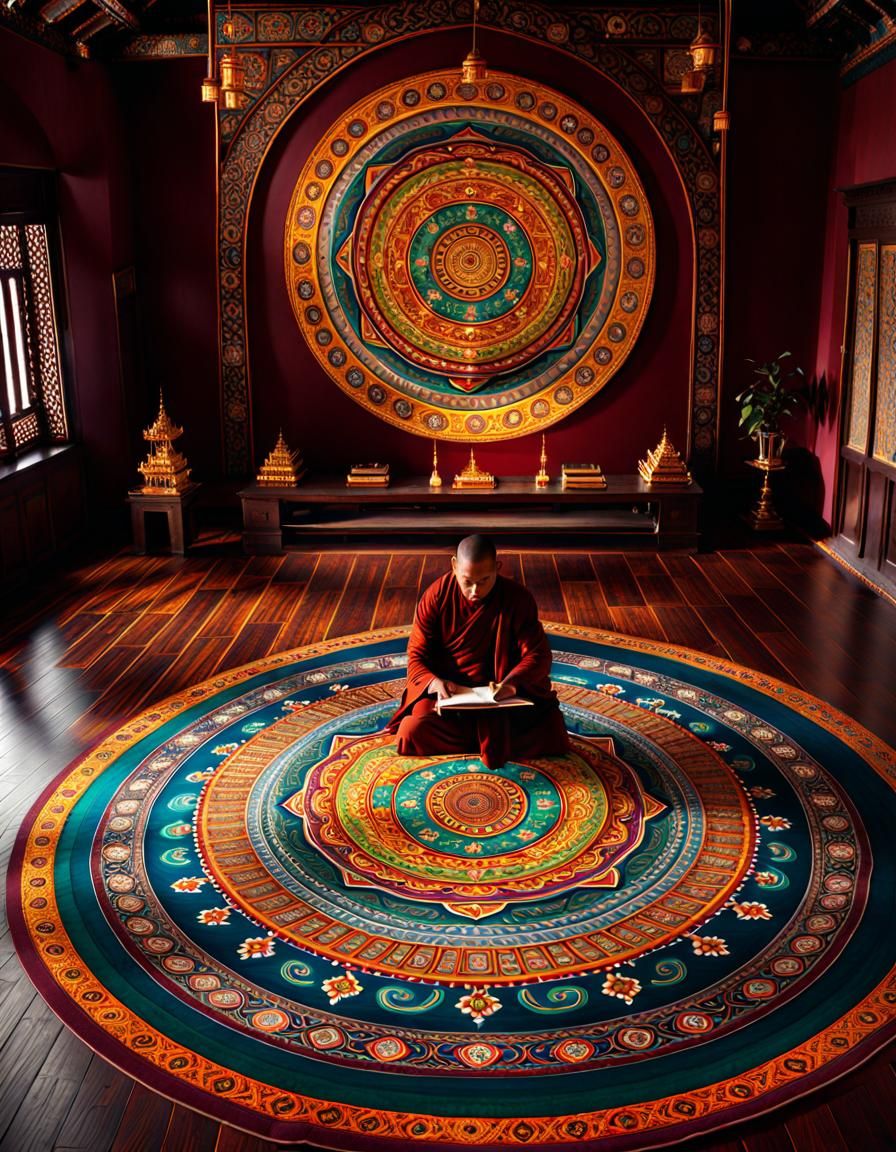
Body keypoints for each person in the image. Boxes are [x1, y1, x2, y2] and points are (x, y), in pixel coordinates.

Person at [386, 534, 570, 770]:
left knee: (554, 732)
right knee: (410, 734)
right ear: (454, 566)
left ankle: (486, 739)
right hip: (453, 702)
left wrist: (512, 684)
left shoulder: (517, 598)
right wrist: (434, 683)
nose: (475, 590)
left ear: (498, 568)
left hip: (503, 702)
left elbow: (537, 655)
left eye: (484, 580)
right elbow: (416, 655)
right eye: (467, 581)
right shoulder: (436, 596)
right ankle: (493, 741)